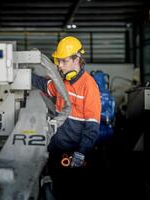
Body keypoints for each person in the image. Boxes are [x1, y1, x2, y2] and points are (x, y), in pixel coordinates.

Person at [32, 36, 101, 194]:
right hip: (56, 149)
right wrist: (21, 75)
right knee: (55, 188)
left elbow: (92, 127)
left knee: (71, 190)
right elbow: (44, 85)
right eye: (58, 61)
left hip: (74, 155)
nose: (59, 66)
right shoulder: (62, 82)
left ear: (76, 59)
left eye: (63, 61)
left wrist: (81, 153)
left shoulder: (89, 86)